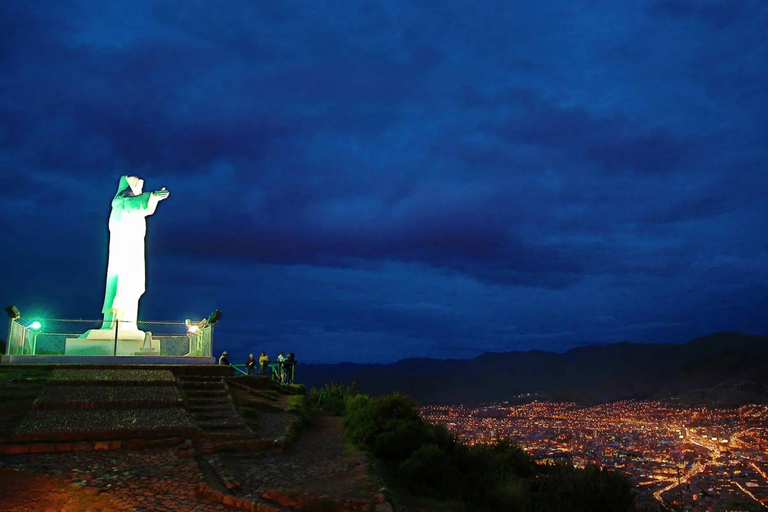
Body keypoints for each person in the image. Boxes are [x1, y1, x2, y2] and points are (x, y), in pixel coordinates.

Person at [101, 175, 170, 332]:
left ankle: (128, 324)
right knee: (121, 285)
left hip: (133, 251)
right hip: (124, 253)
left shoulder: (126, 204)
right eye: (137, 186)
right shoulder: (122, 202)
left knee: (131, 286)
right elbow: (135, 205)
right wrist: (152, 196)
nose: (139, 190)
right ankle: (114, 325)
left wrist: (151, 198)